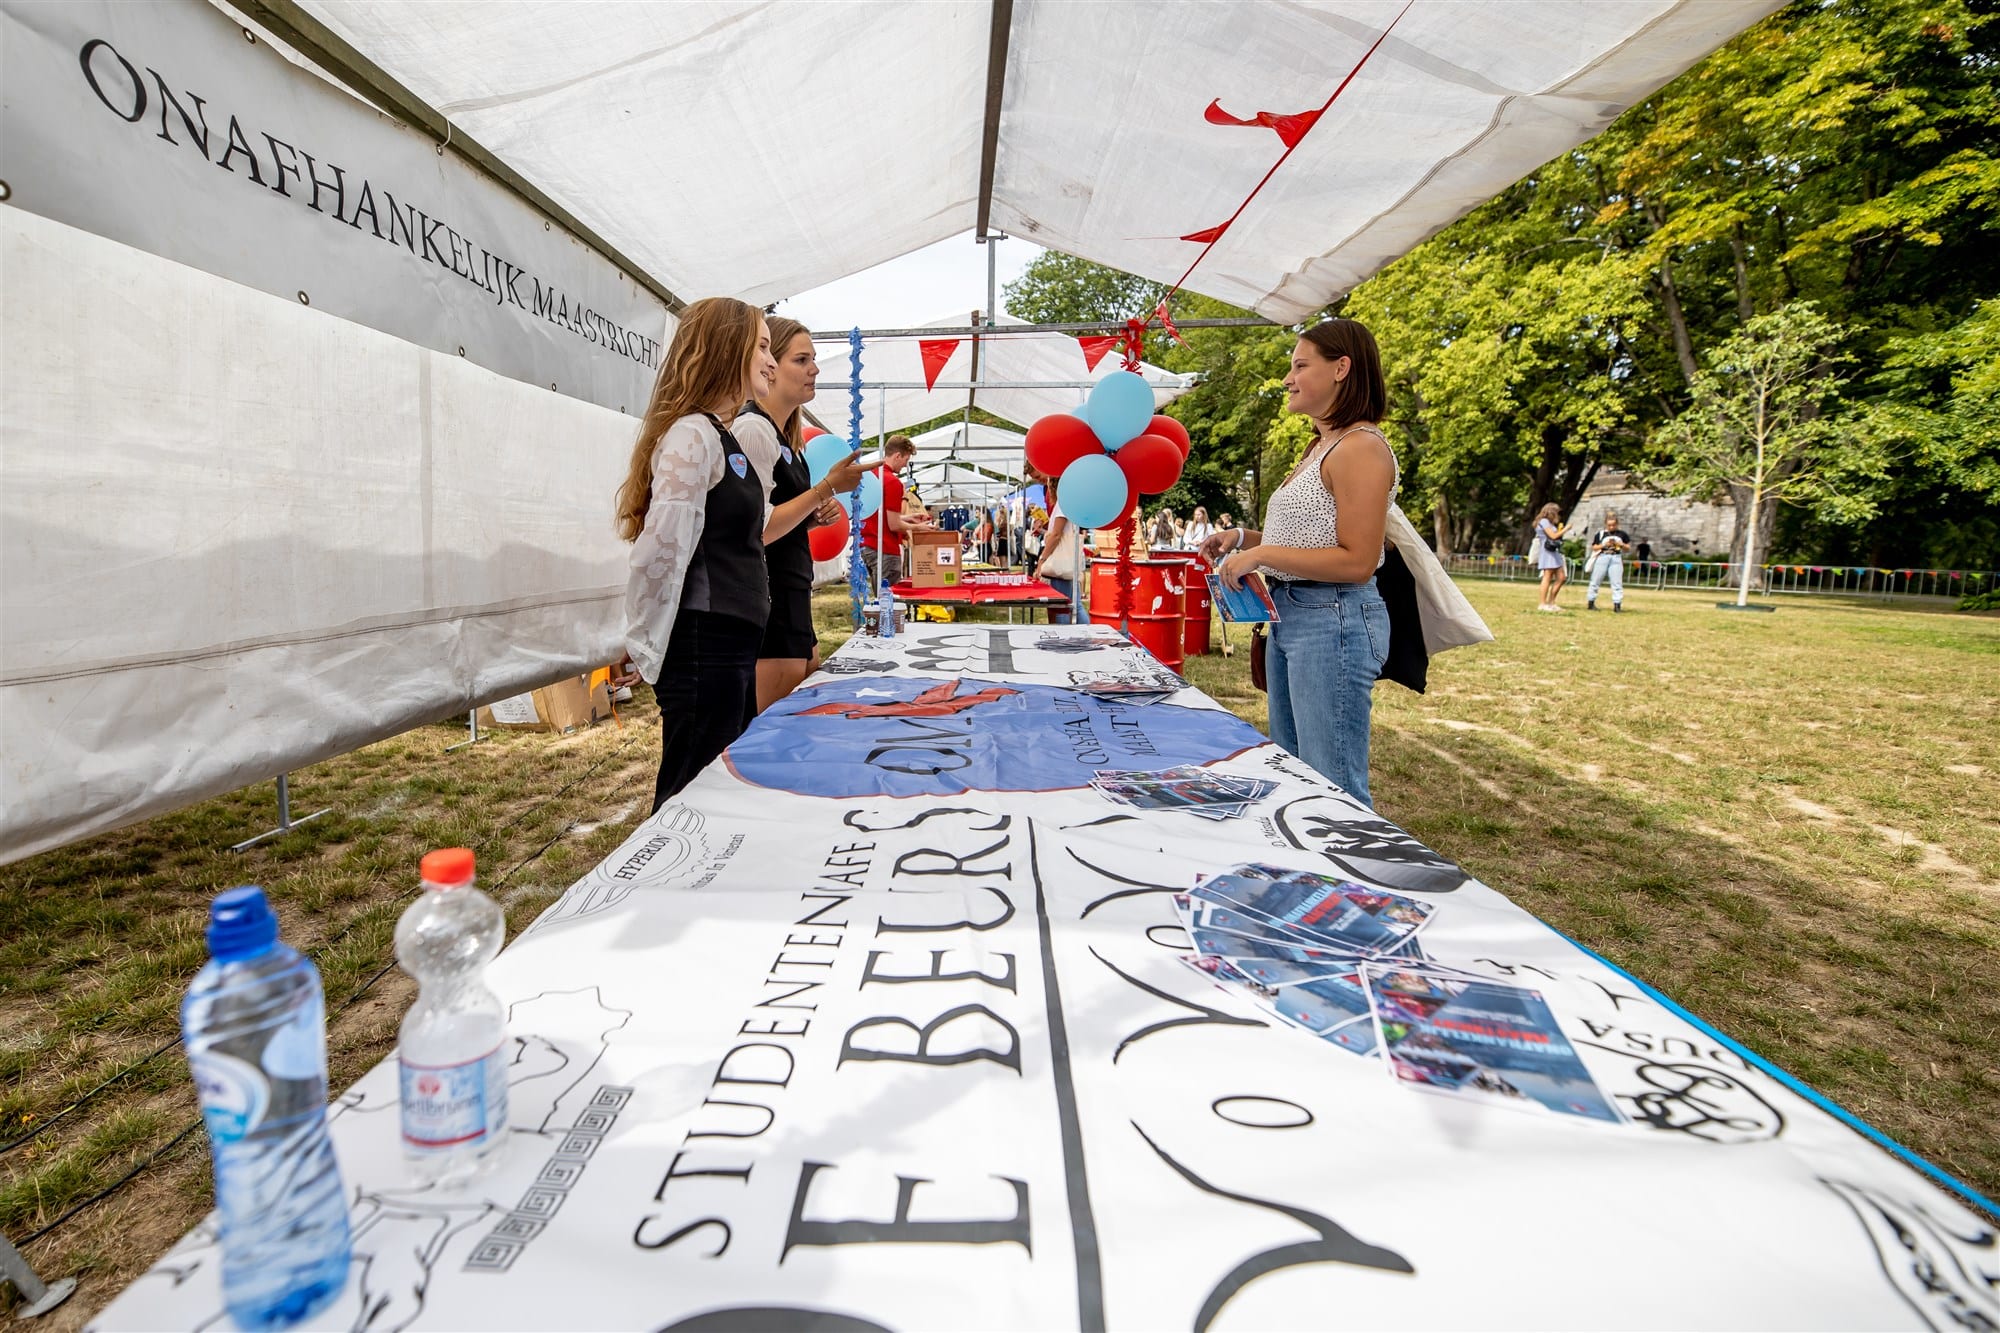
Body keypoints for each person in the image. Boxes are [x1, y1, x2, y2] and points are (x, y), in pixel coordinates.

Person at [1201, 317, 1396, 808]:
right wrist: (1244, 538)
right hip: (1297, 616)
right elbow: (1310, 540)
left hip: (1333, 618)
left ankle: (1350, 882)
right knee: (1295, 771)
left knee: (1333, 786)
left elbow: (1356, 560)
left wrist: (1262, 553)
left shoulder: (1360, 448)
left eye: (1300, 365)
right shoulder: (1320, 446)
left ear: (1341, 369)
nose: (1288, 378)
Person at [617, 296, 779, 811]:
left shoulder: (722, 434)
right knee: (689, 791)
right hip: (704, 644)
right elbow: (662, 548)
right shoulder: (692, 434)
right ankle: (661, 885)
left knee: (712, 787)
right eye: (762, 347)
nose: (770, 362)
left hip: (728, 642)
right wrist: (645, 640)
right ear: (728, 348)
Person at [730, 317, 868, 712]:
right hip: (770, 607)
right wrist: (825, 489)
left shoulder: (783, 437)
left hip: (792, 597)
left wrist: (810, 515)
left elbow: (774, 519)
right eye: (802, 359)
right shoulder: (753, 431)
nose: (815, 369)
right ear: (770, 369)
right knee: (777, 736)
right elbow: (754, 529)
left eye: (814, 359)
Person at [858, 434, 933, 590]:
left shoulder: (871, 476)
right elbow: (893, 524)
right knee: (889, 602)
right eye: (906, 460)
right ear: (898, 455)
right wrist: (918, 528)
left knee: (879, 598)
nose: (905, 466)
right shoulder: (892, 482)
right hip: (885, 548)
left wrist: (909, 518)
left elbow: (879, 515)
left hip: (868, 545)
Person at [1587, 509, 1632, 612]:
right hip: (1603, 557)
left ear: (1617, 524)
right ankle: (1591, 601)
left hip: (1616, 557)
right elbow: (1594, 547)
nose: (1611, 527)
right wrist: (1604, 545)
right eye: (1609, 525)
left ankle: (1617, 604)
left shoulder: (1622, 534)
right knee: (1595, 580)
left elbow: (1628, 547)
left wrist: (1621, 545)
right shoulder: (1601, 534)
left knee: (1617, 582)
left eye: (1613, 525)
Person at [1533, 502, 1569, 611]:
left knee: (1562, 577)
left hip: (1554, 552)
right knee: (1547, 576)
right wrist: (1566, 529)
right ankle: (1543, 603)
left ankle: (1551, 602)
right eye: (1557, 513)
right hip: (1547, 551)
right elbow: (1553, 536)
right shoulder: (1543, 521)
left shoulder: (1550, 523)